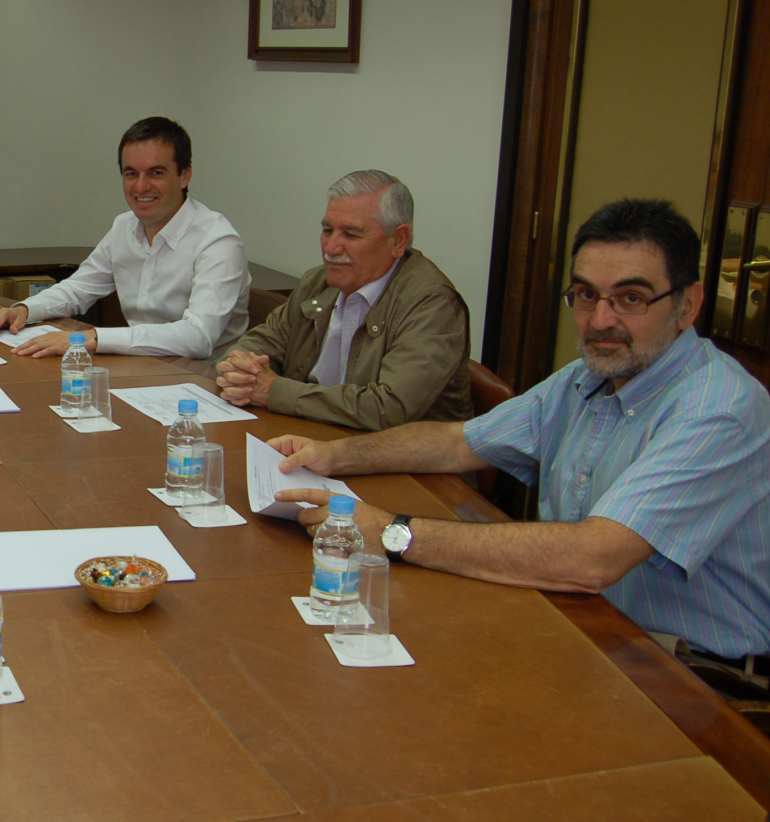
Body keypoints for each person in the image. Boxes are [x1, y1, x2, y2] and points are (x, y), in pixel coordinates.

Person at [269, 199, 770, 667]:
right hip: (573, 618)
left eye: (630, 298)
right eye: (586, 295)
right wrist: (334, 455)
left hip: (684, 669)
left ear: (687, 305)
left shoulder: (717, 410)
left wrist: (394, 532)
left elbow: (593, 559)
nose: (600, 320)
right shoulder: (587, 377)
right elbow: (457, 441)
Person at [214, 170, 471, 430]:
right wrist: (239, 366)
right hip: (313, 436)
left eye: (351, 234)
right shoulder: (318, 282)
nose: (331, 248)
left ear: (398, 240)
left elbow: (389, 409)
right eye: (327, 230)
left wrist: (275, 392)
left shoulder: (431, 303)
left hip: (405, 462)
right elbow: (262, 342)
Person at [0, 116, 250, 359]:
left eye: (156, 173)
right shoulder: (124, 226)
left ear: (184, 175)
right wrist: (24, 311)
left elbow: (198, 338)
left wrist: (93, 338)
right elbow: (77, 289)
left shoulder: (218, 241)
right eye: (131, 173)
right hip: (141, 366)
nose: (141, 186)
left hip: (205, 381)